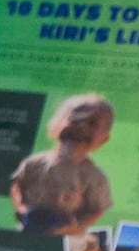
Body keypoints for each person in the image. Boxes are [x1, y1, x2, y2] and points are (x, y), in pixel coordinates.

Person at [10, 92, 115, 236]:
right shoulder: (34, 163)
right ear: (56, 124)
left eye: (92, 123)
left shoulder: (94, 177)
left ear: (103, 140)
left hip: (65, 233)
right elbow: (17, 185)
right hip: (31, 228)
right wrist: (21, 207)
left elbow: (96, 210)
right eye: (74, 119)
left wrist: (77, 227)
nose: (81, 127)